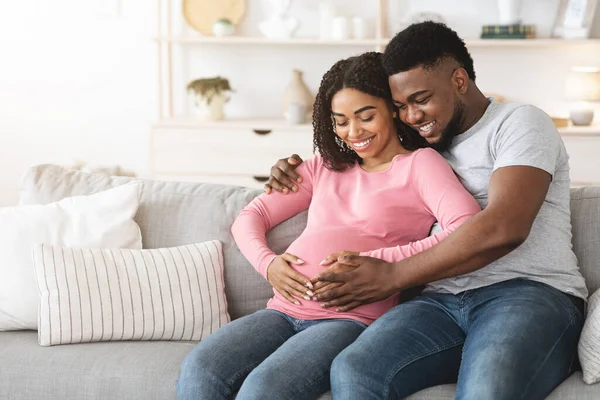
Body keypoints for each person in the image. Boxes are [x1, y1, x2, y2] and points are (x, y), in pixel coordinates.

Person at [265, 21, 587, 400]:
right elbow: (359, 158)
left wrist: (394, 274)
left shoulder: (519, 122)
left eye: (421, 99)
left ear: (460, 80)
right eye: (400, 106)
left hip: (528, 292)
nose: (412, 116)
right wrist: (289, 171)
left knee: (487, 388)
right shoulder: (422, 144)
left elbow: (506, 227)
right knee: (355, 369)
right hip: (439, 301)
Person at [176, 52, 481, 400]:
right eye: (341, 121)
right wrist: (269, 264)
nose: (354, 132)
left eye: (366, 117)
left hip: (348, 319)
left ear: (393, 109)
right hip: (282, 310)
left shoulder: (420, 165)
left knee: (263, 389)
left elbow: (466, 226)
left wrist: (382, 260)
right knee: (200, 368)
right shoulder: (325, 165)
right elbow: (250, 217)